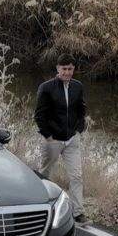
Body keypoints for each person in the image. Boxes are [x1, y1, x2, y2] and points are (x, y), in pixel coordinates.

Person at [34, 59, 88, 193]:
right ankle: (41, 199)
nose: (67, 72)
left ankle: (77, 206)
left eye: (70, 69)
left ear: (73, 69)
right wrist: (48, 136)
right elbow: (39, 115)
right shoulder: (46, 87)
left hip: (72, 139)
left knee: (77, 177)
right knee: (44, 174)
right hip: (53, 140)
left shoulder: (77, 86)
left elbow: (81, 109)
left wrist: (78, 130)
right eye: (64, 69)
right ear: (58, 68)